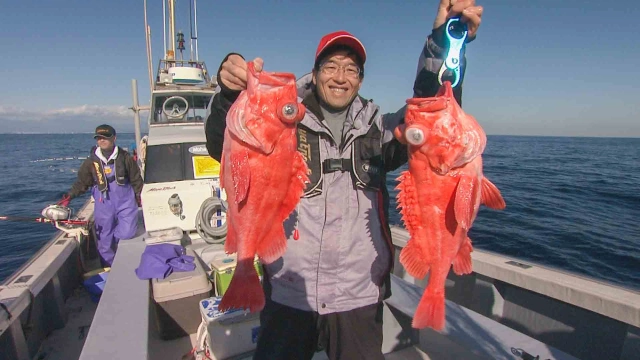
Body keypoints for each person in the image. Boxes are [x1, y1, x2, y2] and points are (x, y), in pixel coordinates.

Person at [205, 1, 483, 358]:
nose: (341, 77)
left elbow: (433, 119)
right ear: (316, 72)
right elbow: (221, 144)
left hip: (358, 296)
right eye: (332, 66)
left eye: (351, 69)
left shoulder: (381, 130)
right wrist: (229, 93)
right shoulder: (283, 121)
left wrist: (442, 42)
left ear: (361, 80)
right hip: (291, 293)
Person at [54, 124, 143, 267]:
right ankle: (110, 266)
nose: (102, 141)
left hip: (125, 200)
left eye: (105, 138)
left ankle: (123, 256)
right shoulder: (91, 162)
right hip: (103, 202)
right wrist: (68, 197)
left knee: (127, 232)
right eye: (99, 138)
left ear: (114, 138)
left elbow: (136, 180)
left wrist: (141, 196)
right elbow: (82, 183)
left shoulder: (125, 158)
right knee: (104, 238)